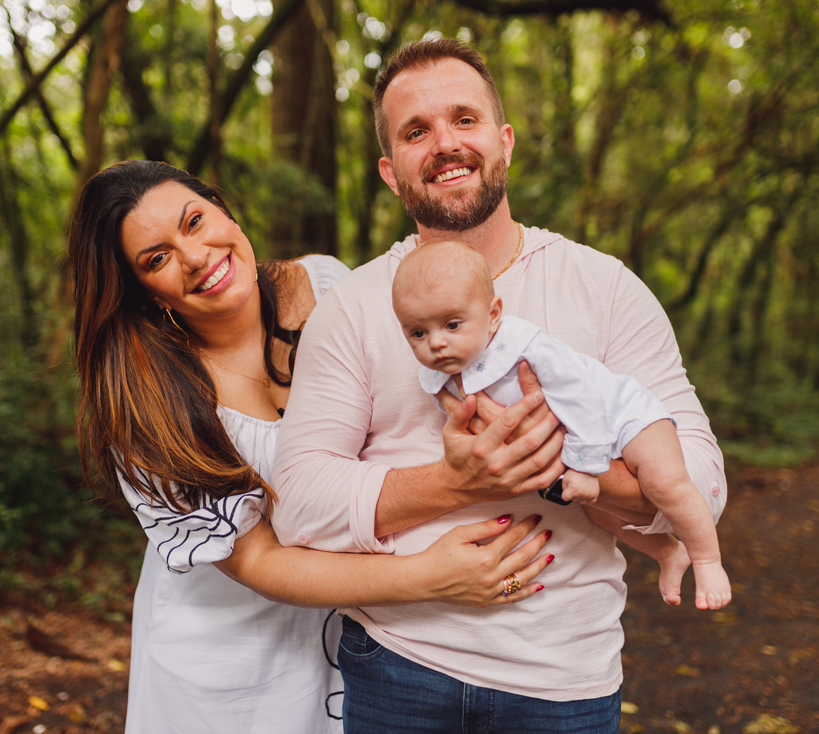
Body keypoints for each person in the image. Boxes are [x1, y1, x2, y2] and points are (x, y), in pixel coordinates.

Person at [272, 39, 726, 732]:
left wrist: (578, 472)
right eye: (417, 131)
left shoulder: (603, 288)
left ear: (504, 141)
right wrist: (459, 481)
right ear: (391, 173)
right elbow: (299, 505)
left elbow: (703, 484)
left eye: (464, 119)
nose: (445, 144)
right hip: (397, 664)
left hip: (565, 680)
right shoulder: (354, 308)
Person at [68, 159, 555, 734]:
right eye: (157, 258)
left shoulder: (329, 286)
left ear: (223, 210)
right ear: (143, 292)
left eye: (195, 221)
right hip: (232, 668)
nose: (195, 256)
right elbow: (258, 560)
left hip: (366, 641)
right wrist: (428, 576)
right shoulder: (145, 401)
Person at [392, 238, 731, 610]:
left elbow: (581, 397)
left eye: (452, 324)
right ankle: (668, 553)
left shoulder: (525, 348)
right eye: (418, 333)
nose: (436, 343)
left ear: (492, 315)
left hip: (625, 417)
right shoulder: (441, 375)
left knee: (665, 482)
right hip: (575, 442)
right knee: (601, 516)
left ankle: (708, 560)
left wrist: (586, 464)